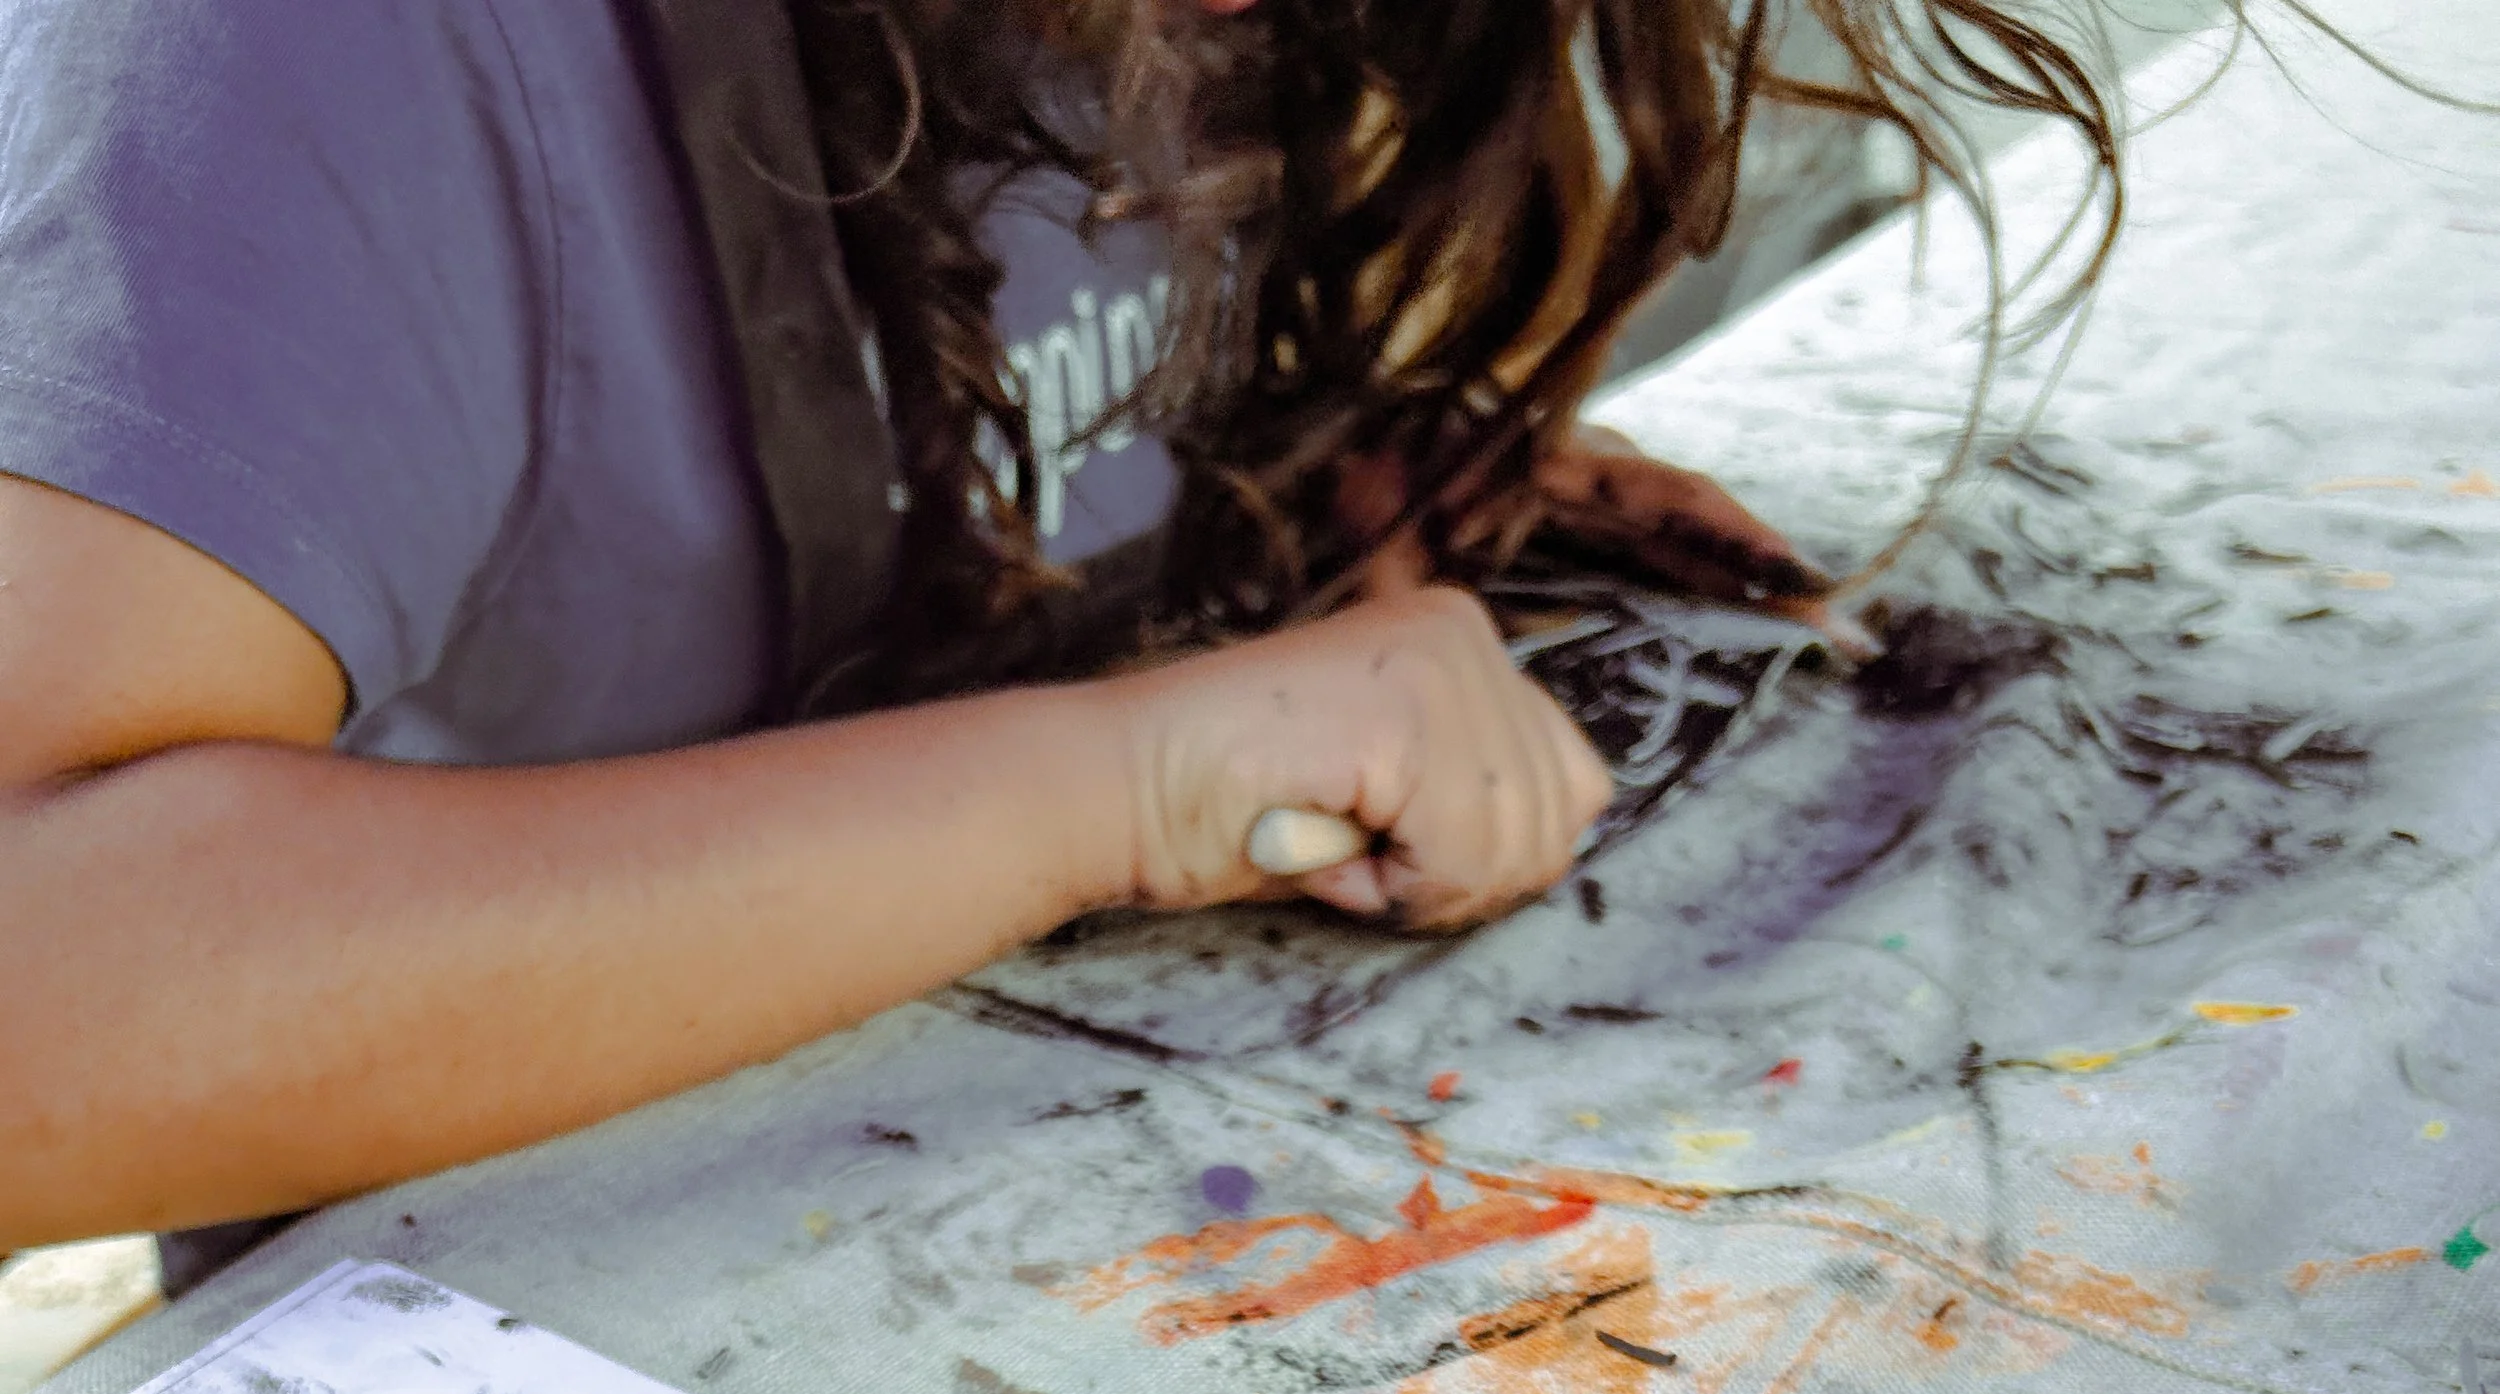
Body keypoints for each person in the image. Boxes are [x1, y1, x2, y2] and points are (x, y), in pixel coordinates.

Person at [0, 0, 2120, 1250]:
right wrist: (1133, 781)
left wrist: (1277, 478)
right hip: (495, 1372)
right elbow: (44, 1004)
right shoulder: (306, 51)